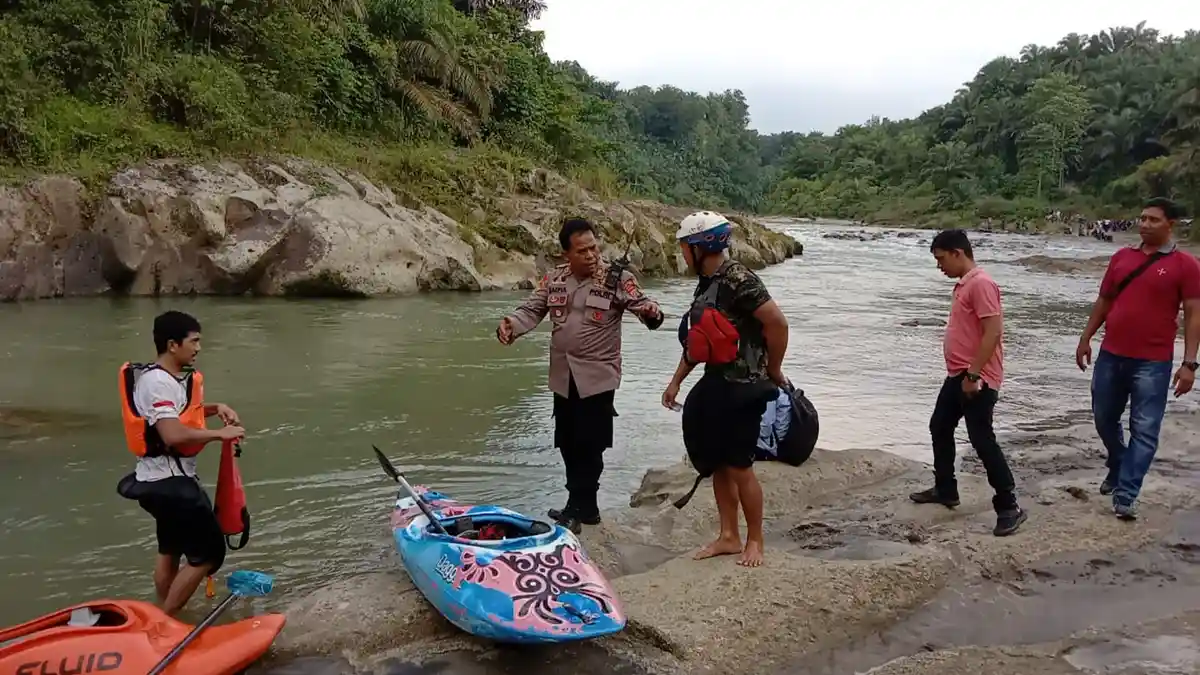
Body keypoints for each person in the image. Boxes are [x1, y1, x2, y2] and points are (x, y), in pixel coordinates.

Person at [497, 218, 663, 532]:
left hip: (597, 376)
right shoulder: (555, 279)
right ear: (566, 253)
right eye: (582, 251)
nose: (590, 256)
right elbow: (531, 310)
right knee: (567, 442)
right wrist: (510, 325)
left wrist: (651, 312)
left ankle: (578, 506)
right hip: (563, 375)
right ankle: (584, 507)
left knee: (590, 443)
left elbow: (645, 308)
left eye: (593, 248)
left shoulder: (617, 279)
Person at [661, 210, 790, 568]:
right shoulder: (707, 282)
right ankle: (728, 536)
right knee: (718, 463)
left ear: (700, 247)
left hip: (745, 386)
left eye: (684, 247)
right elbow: (701, 341)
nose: (681, 254)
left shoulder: (739, 278)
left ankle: (755, 540)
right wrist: (676, 381)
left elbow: (777, 323)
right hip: (717, 382)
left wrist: (773, 370)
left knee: (739, 466)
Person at [1075, 198, 1200, 520]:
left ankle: (1126, 494)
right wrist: (1086, 338)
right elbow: (1104, 300)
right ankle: (1118, 462)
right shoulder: (1121, 257)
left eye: (1153, 220)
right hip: (1111, 354)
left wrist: (1189, 363)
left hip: (1153, 362)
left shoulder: (1185, 265)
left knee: (1144, 429)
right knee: (1103, 417)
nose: (1144, 224)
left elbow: (1193, 315)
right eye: (1142, 218)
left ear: (1170, 224)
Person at [116, 310, 245, 615]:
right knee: (209, 553)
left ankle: (162, 612)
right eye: (194, 341)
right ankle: (165, 621)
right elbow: (172, 434)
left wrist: (216, 407)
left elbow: (177, 414)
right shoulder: (158, 383)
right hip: (170, 484)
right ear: (173, 345)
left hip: (154, 481)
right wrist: (220, 434)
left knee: (171, 549)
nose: (198, 348)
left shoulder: (163, 378)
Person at [910, 229, 1027, 537]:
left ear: (957, 253)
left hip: (977, 377)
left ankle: (1009, 506)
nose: (939, 266)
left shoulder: (981, 284)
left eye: (941, 259)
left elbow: (993, 332)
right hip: (959, 374)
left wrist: (975, 374)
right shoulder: (965, 284)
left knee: (981, 438)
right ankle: (946, 488)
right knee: (940, 425)